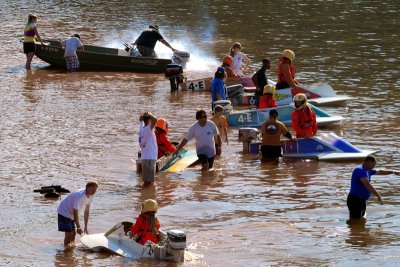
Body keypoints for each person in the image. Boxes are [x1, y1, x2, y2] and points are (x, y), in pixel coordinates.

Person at [347, 155, 400, 219]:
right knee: (355, 221)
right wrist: (378, 195)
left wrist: (393, 172)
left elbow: (380, 172)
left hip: (362, 200)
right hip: (355, 200)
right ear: (367, 162)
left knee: (360, 220)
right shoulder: (360, 170)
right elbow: (367, 185)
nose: (373, 167)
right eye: (373, 164)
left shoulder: (368, 170)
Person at [57, 181, 99, 248]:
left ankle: (71, 250)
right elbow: (75, 211)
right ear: (87, 187)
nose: (94, 192)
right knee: (69, 233)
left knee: (73, 233)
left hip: (71, 213)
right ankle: (66, 252)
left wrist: (85, 227)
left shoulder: (90, 196)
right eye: (93, 189)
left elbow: (86, 211)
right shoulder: (79, 196)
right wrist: (78, 227)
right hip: (64, 211)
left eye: (96, 190)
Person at [139, 112, 158, 186]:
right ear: (149, 120)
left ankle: (143, 195)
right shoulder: (148, 129)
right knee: (150, 183)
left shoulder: (141, 130)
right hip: (150, 158)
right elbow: (155, 120)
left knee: (146, 181)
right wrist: (148, 113)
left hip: (144, 158)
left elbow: (141, 122)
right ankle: (148, 195)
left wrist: (142, 120)